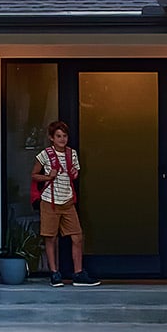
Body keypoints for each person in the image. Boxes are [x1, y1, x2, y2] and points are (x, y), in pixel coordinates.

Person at [31, 122, 97, 286]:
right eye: (58, 136)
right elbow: (34, 175)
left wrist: (74, 173)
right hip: (49, 201)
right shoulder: (45, 154)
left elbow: (74, 173)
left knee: (77, 236)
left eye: (64, 136)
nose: (62, 139)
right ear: (51, 138)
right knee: (51, 238)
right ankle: (54, 273)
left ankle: (78, 273)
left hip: (67, 200)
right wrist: (48, 177)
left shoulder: (71, 153)